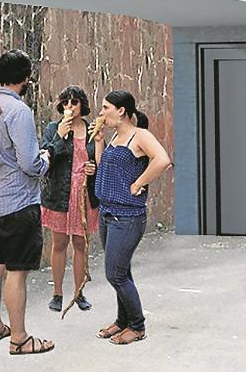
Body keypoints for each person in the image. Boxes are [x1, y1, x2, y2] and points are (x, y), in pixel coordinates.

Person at [0, 50, 55, 355]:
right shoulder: (19, 111)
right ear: (26, 78)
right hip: (18, 202)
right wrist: (47, 158)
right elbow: (30, 163)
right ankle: (19, 338)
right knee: (17, 272)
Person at [90, 90, 171, 345]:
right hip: (107, 212)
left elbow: (163, 160)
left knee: (115, 274)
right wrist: (100, 142)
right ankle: (122, 320)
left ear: (121, 110)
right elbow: (104, 168)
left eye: (106, 108)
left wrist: (138, 183)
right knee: (121, 271)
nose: (101, 112)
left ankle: (137, 326)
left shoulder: (140, 135)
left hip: (127, 216)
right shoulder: (116, 136)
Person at [40, 85, 98, 313]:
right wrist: (60, 136)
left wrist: (93, 168)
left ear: (82, 105)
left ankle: (79, 291)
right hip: (60, 194)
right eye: (66, 102)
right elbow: (45, 157)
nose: (70, 107)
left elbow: (98, 159)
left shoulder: (91, 130)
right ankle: (57, 293)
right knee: (60, 244)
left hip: (84, 194)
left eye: (74, 102)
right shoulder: (53, 128)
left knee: (81, 245)